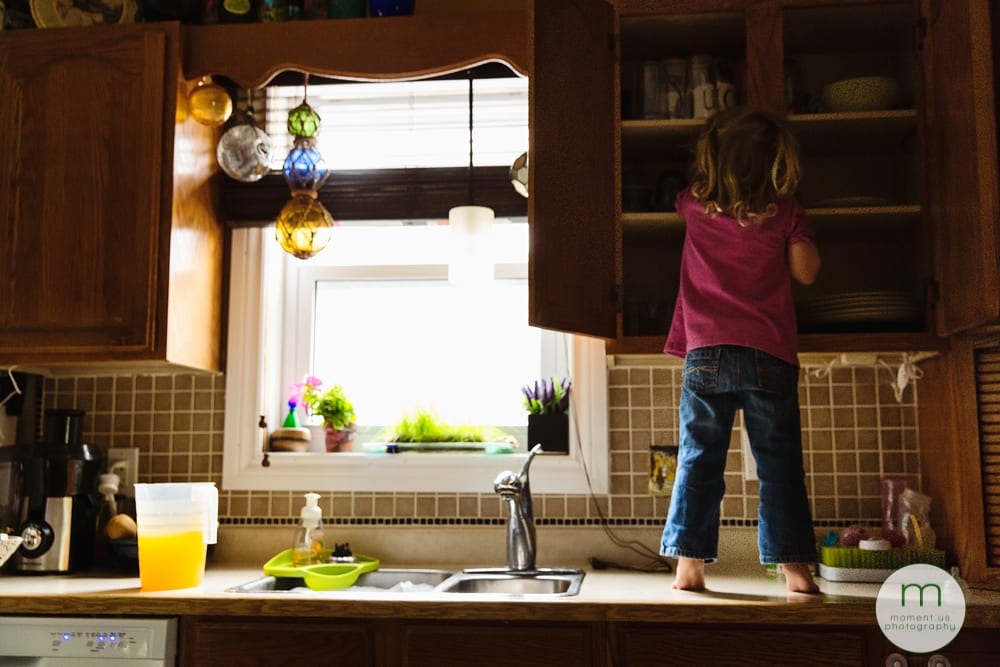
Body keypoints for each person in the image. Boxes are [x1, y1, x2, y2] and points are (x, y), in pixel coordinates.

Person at [659, 106, 822, 594]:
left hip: (706, 353)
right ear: (775, 163)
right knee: (778, 465)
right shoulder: (786, 211)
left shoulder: (692, 204)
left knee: (699, 458)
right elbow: (807, 272)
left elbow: (680, 199)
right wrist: (798, 228)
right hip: (769, 355)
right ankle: (794, 570)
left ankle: (689, 566)